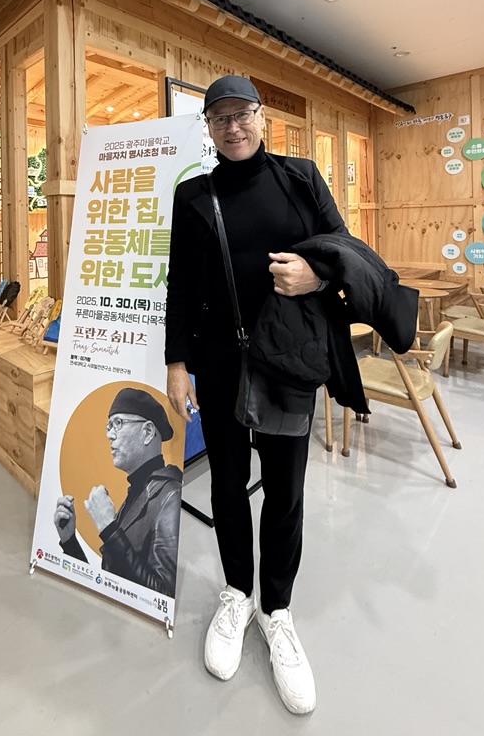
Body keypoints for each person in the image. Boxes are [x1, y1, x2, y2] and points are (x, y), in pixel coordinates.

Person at [165, 75, 350, 715]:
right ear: (209, 128)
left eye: (242, 113)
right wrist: (176, 363)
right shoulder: (194, 195)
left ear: (262, 116)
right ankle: (236, 594)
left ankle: (277, 610)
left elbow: (344, 249)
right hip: (218, 364)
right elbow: (179, 284)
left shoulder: (300, 178)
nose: (233, 126)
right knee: (225, 484)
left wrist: (315, 275)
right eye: (220, 118)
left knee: (286, 489)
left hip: (286, 363)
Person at [54, 387, 182, 598]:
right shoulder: (138, 494)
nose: (109, 435)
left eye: (118, 424)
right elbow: (111, 583)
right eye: (109, 426)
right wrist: (69, 541)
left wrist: (109, 528)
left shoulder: (170, 496)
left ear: (148, 432)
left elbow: (163, 595)